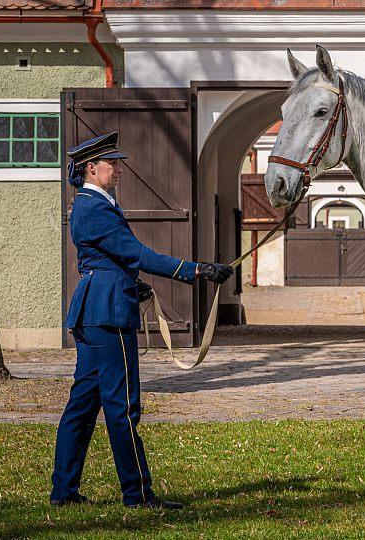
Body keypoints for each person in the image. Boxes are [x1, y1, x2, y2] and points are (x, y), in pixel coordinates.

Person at [50, 133, 233, 509]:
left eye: (118, 162)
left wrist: (134, 284)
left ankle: (64, 492)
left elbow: (114, 259)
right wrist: (196, 270)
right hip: (108, 314)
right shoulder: (94, 206)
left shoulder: (92, 203)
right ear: (91, 168)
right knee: (122, 406)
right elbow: (137, 253)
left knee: (83, 405)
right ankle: (138, 495)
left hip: (97, 307)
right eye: (111, 163)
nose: (119, 168)